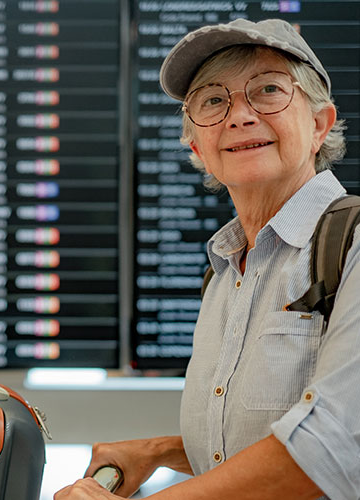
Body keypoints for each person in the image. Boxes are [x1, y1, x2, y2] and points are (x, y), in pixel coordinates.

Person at [55, 18, 359, 500]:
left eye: (268, 90)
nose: (239, 116)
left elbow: (335, 445)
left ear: (319, 124)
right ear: (197, 145)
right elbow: (256, 434)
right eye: (214, 101)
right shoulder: (226, 271)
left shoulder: (353, 245)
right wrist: (158, 451)